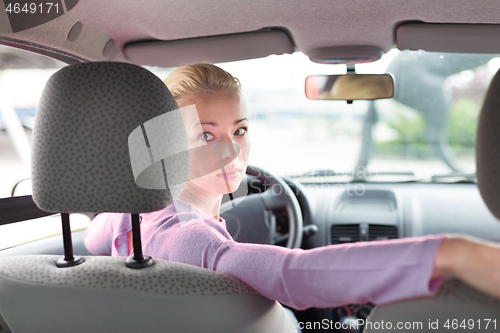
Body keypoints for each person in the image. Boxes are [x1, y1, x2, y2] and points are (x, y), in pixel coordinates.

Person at [84, 63, 500, 314]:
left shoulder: (128, 219)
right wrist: (451, 253)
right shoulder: (191, 239)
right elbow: (292, 275)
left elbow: (94, 233)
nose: (232, 151)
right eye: (206, 136)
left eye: (240, 129)